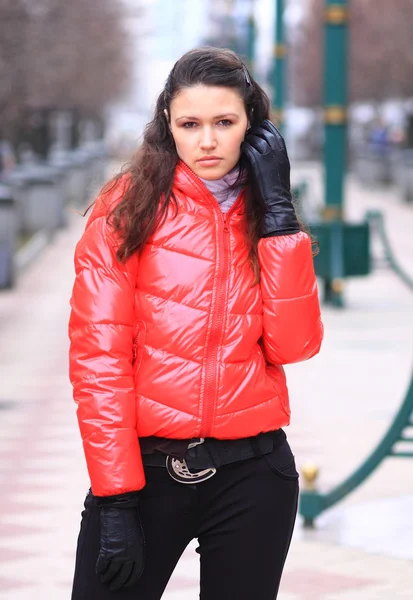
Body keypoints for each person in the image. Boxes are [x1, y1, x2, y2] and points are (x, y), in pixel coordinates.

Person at [69, 47, 323, 600]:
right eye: (191, 124)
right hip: (147, 475)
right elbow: (98, 362)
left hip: (254, 474)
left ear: (251, 126)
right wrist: (115, 500)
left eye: (224, 123)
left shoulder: (267, 216)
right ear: (168, 124)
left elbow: (296, 345)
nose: (207, 141)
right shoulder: (126, 209)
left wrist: (280, 217)